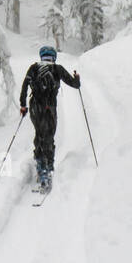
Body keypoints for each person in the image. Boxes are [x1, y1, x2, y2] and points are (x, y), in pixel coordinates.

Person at [19, 45, 80, 192]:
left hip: (34, 107)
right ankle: (48, 169)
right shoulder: (57, 68)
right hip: (49, 108)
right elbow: (75, 85)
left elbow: (24, 86)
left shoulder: (33, 68)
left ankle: (41, 169)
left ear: (42, 56)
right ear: (53, 56)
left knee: (39, 135)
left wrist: (23, 106)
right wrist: (77, 77)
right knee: (48, 137)